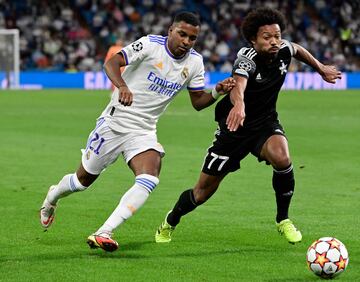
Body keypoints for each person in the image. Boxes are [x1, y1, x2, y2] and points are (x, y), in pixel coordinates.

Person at [39, 11, 235, 252]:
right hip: (114, 123)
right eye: (182, 34)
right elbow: (111, 63)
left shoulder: (195, 62)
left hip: (144, 130)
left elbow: (198, 102)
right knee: (82, 181)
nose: (186, 41)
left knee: (150, 176)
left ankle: (104, 231)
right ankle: (52, 197)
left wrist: (216, 91)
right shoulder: (151, 45)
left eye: (192, 38)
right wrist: (122, 86)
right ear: (170, 30)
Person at [155, 7, 342, 245]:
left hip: (264, 123)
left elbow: (298, 50)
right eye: (267, 37)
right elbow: (239, 84)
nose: (274, 41)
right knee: (202, 192)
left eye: (277, 35)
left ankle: (283, 219)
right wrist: (239, 105)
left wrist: (321, 68)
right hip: (234, 128)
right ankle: (170, 221)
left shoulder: (283, 48)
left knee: (282, 158)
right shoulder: (247, 57)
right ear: (253, 40)